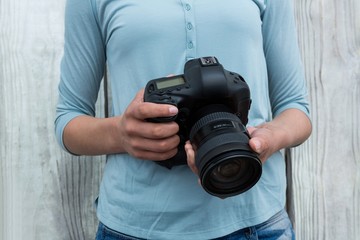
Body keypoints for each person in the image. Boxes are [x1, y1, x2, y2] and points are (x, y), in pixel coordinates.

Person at [55, 0, 312, 239]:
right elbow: (68, 119)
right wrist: (121, 134)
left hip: (257, 222)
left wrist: (268, 138)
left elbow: (296, 109)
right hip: (134, 227)